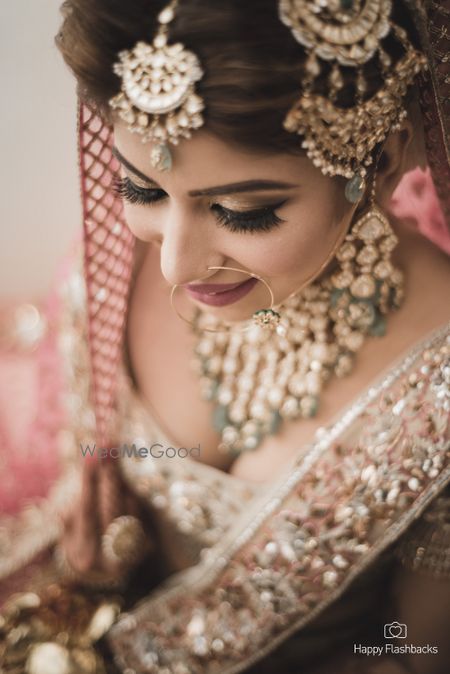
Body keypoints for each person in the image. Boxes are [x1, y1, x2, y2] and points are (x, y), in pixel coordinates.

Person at [0, 1, 449, 672]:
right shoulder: (116, 265)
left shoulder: (439, 371)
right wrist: (94, 564)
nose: (176, 265)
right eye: (141, 188)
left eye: (245, 211)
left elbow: (414, 650)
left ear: (377, 162)